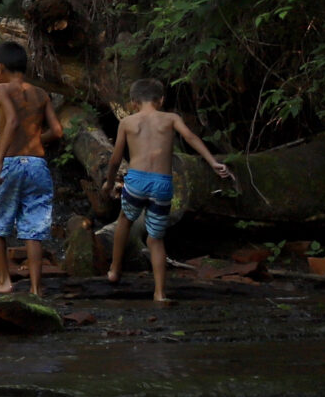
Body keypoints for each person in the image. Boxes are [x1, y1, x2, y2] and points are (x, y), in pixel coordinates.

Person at [101, 77, 236, 304]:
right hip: (162, 183)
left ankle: (114, 270)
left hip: (136, 181)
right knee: (156, 239)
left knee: (124, 220)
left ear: (133, 102)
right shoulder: (171, 118)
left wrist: (109, 181)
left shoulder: (128, 122)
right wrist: (213, 162)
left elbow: (115, 158)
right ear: (161, 100)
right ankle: (160, 293)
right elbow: (191, 137)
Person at [0, 42, 62, 296]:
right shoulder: (41, 93)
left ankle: (4, 280)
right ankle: (36, 289)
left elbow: (13, 120)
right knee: (34, 226)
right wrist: (37, 141)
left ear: (0, 68)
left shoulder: (1, 88)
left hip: (12, 162)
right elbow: (57, 131)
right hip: (38, 165)